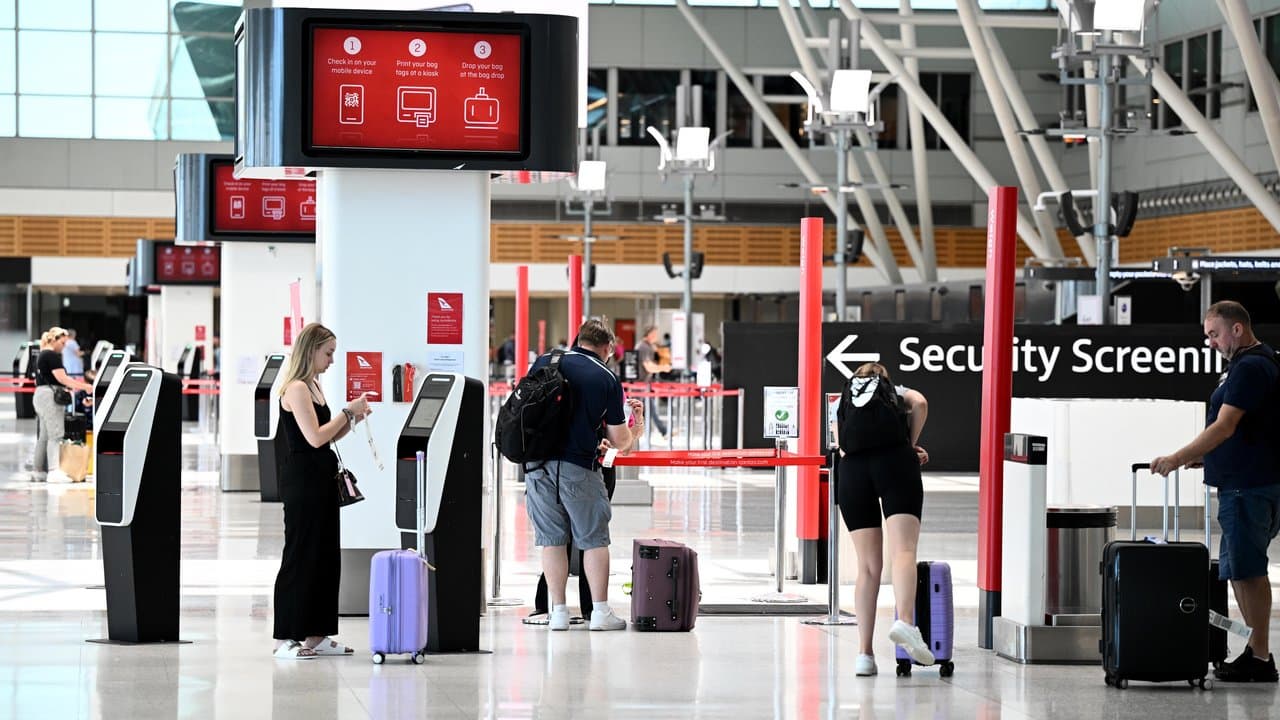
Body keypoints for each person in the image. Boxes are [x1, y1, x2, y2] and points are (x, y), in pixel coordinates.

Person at [1152, 300, 1280, 683]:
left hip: (1247, 487)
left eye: (1214, 333)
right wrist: (1207, 461)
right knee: (1243, 570)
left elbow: (1225, 426)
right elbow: (1255, 430)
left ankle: (1259, 657)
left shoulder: (1250, 367)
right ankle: (1255, 652)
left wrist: (1176, 457)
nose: (1210, 342)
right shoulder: (1261, 361)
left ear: (1237, 329)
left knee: (1247, 571)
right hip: (1249, 481)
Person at [524, 319, 644, 631]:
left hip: (537, 467)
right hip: (578, 467)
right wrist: (636, 428)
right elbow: (620, 441)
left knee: (551, 540)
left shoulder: (545, 361)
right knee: (593, 539)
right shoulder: (604, 377)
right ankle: (600, 612)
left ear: (578, 339)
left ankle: (559, 612)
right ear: (607, 348)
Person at [271, 323, 371, 659]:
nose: (331, 360)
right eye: (327, 353)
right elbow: (313, 437)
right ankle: (286, 636)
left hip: (321, 478)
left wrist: (351, 420)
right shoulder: (296, 389)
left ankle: (317, 633)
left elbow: (326, 437)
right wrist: (347, 411)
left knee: (324, 557)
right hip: (302, 481)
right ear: (310, 350)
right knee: (300, 555)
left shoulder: (314, 386)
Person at [837, 362, 933, 677]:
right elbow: (920, 402)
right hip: (896, 463)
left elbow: (840, 446)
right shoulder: (896, 392)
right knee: (903, 551)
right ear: (884, 380)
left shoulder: (844, 399)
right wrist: (908, 443)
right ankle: (904, 621)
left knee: (867, 567)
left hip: (852, 472)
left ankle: (864, 654)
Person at [32, 327, 93, 482]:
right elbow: (63, 379)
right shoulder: (51, 355)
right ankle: (54, 471)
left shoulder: (41, 355)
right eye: (63, 342)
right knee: (56, 434)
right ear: (56, 339)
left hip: (40, 395)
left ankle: (38, 471)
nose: (64, 346)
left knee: (44, 436)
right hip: (50, 397)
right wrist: (86, 387)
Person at [636, 325, 671, 438]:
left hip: (643, 385)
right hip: (639, 386)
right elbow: (649, 367)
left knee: (650, 410)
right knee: (638, 411)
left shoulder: (647, 346)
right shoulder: (644, 347)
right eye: (655, 334)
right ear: (649, 334)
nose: (656, 336)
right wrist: (663, 368)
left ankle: (664, 431)